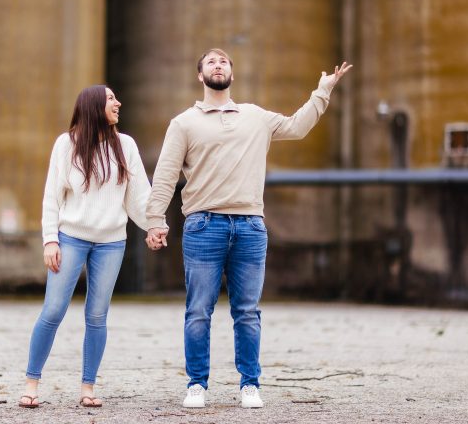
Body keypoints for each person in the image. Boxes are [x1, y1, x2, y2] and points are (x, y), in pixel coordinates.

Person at [145, 48, 352, 409]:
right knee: (198, 310)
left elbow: (297, 127)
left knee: (248, 311)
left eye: (224, 61)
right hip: (203, 224)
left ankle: (249, 385)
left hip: (250, 226)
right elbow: (164, 176)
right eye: (210, 61)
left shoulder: (255, 117)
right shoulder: (184, 123)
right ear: (200, 75)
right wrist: (154, 219)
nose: (218, 64)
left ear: (232, 73)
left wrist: (323, 90)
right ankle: (197, 384)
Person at [20, 85, 163, 409]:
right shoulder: (66, 144)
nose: (118, 103)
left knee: (97, 315)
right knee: (53, 310)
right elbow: (51, 197)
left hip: (111, 242)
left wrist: (155, 225)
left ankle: (88, 387)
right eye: (111, 99)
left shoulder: (125, 145)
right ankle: (31, 382)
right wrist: (50, 240)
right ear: (93, 106)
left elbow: (139, 195)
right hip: (70, 238)